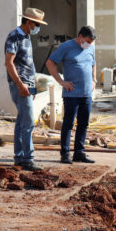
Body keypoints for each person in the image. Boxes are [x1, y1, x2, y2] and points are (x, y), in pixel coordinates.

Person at [4, 7, 47, 171]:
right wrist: (20, 84)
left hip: (27, 85)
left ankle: (19, 157)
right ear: (28, 22)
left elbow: (27, 64)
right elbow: (9, 63)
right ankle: (27, 158)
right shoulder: (14, 36)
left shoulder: (26, 37)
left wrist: (32, 87)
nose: (38, 28)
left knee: (22, 121)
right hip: (20, 85)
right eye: (36, 24)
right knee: (28, 122)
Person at [47, 26, 97, 165]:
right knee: (68, 123)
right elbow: (50, 63)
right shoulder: (66, 47)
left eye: (91, 42)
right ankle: (65, 153)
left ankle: (79, 152)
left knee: (83, 123)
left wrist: (94, 79)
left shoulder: (90, 47)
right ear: (80, 37)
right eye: (87, 41)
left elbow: (93, 63)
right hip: (72, 94)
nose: (89, 44)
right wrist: (61, 81)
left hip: (86, 93)